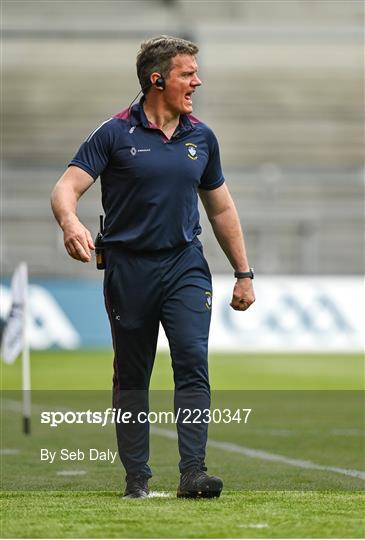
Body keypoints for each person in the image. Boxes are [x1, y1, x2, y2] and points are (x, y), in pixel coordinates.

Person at [51, 35, 255, 499]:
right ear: (157, 79)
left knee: (191, 362)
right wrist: (69, 223)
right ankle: (137, 478)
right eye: (188, 73)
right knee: (132, 373)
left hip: (185, 266)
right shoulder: (114, 133)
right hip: (128, 269)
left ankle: (193, 473)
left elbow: (220, 209)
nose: (197, 81)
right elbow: (66, 187)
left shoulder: (201, 136)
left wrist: (243, 273)